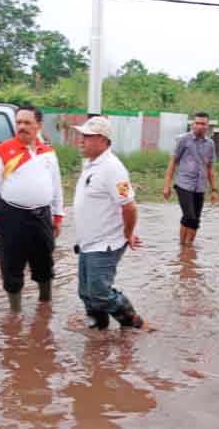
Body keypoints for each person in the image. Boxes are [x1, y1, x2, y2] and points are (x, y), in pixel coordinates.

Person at [0, 106, 64, 312]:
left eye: (27, 123)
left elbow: (56, 186)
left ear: (38, 126)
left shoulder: (48, 153)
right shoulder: (3, 150)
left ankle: (45, 305)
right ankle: (15, 313)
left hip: (42, 216)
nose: (22, 127)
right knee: (12, 265)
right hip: (12, 217)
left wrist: (58, 216)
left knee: (44, 262)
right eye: (19, 122)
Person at [72, 116, 148, 330]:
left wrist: (128, 233)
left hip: (105, 243)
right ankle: (99, 329)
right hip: (88, 241)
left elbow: (129, 206)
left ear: (102, 140)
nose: (81, 140)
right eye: (82, 136)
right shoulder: (90, 164)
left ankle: (134, 322)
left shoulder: (113, 168)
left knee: (99, 292)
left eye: (87, 136)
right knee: (85, 292)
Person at [162, 112, 218, 245]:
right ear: (193, 124)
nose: (199, 126)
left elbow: (210, 168)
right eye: (197, 123)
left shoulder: (210, 144)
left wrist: (214, 189)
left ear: (207, 126)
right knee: (189, 216)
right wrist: (166, 186)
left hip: (200, 186)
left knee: (195, 220)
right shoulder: (184, 140)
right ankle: (183, 246)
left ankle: (187, 247)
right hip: (183, 184)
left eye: (203, 123)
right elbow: (173, 162)